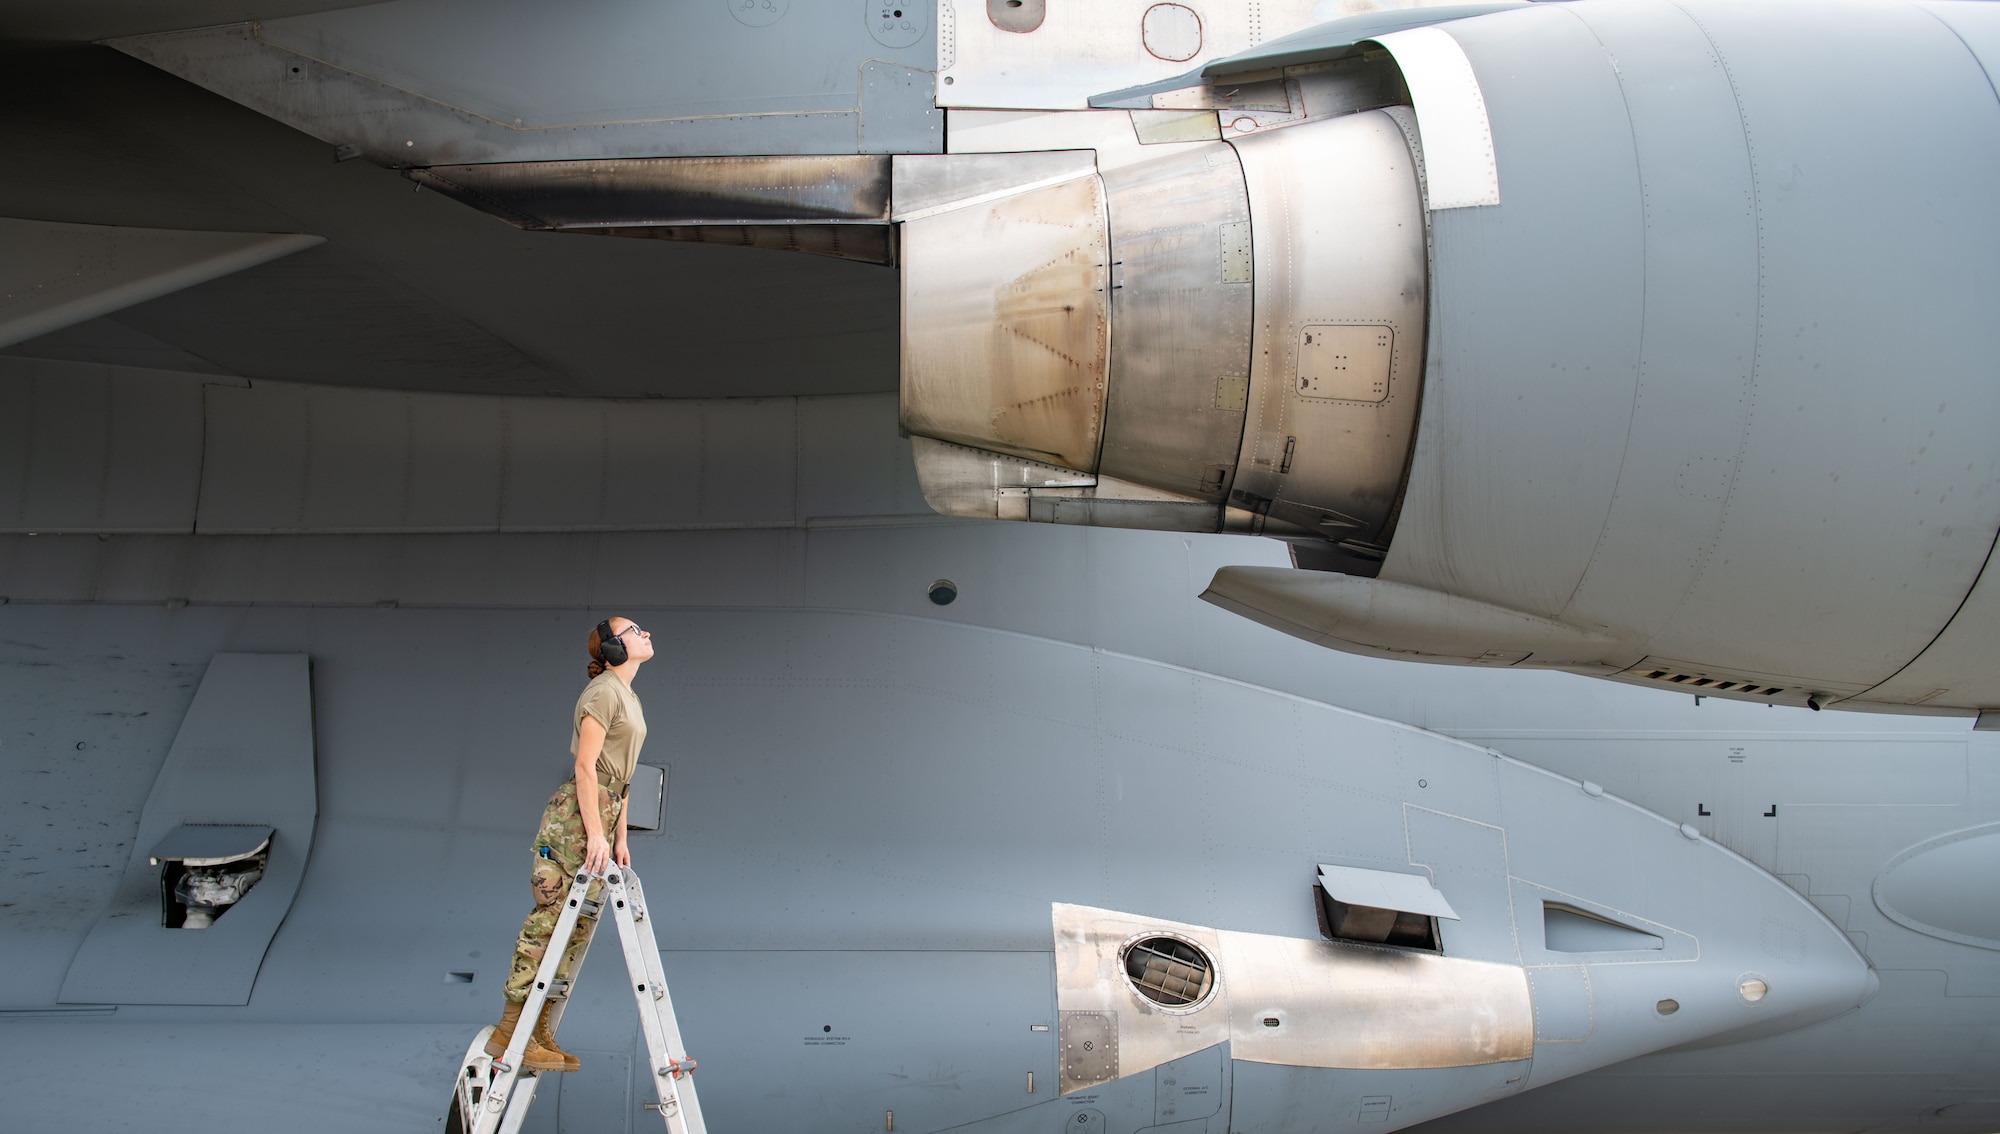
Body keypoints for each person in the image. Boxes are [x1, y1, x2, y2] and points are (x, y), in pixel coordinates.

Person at [483, 616, 654, 1072]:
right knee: (552, 919)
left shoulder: (628, 696)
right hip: (576, 819)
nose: (646, 633)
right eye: (635, 630)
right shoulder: (602, 694)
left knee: (575, 927)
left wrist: (618, 836)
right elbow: (585, 766)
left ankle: (537, 1031)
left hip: (604, 810)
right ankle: (508, 1031)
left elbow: (623, 777)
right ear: (614, 649)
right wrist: (596, 831)